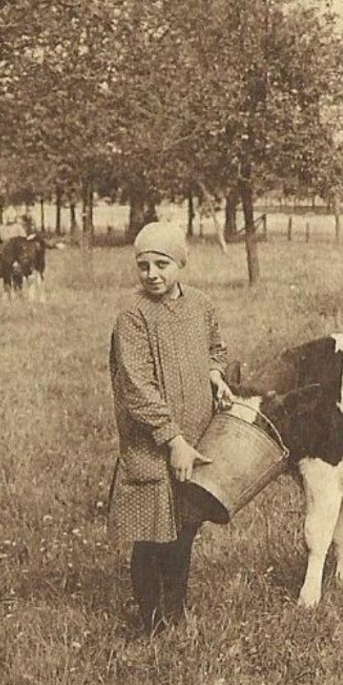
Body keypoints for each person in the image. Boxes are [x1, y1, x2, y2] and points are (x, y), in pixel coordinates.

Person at [107, 221, 235, 636]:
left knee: (184, 528)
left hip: (195, 434)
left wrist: (215, 374)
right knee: (150, 531)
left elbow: (216, 348)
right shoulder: (133, 315)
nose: (152, 274)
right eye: (143, 266)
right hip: (153, 442)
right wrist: (172, 440)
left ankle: (174, 612)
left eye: (162, 264)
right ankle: (149, 620)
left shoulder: (201, 306)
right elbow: (136, 387)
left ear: (181, 264)